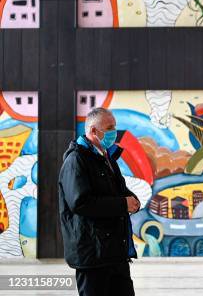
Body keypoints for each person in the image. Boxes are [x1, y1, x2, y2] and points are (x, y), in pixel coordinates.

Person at [58, 108, 140, 296]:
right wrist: (122, 204)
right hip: (93, 256)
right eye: (110, 128)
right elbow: (80, 203)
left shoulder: (107, 157)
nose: (114, 132)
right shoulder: (76, 160)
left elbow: (119, 191)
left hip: (115, 254)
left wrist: (132, 201)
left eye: (115, 127)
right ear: (93, 131)